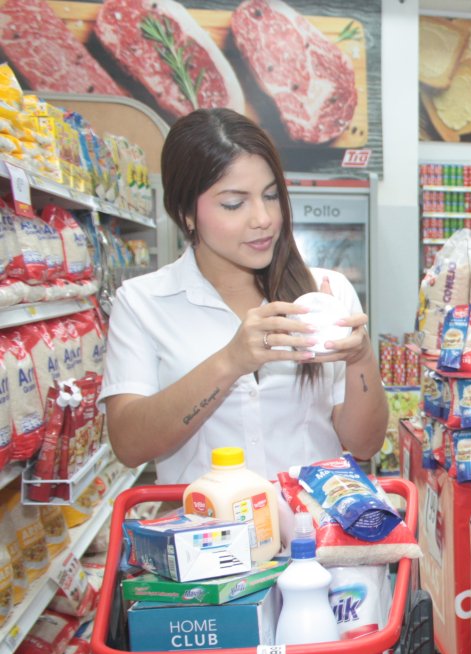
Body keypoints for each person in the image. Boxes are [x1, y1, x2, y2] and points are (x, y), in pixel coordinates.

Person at [100, 108, 387, 485]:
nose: (263, 218)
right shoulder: (143, 302)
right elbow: (130, 445)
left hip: (313, 533)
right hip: (207, 533)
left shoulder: (324, 294)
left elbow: (364, 446)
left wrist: (360, 358)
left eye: (270, 196)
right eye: (234, 203)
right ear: (186, 212)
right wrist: (231, 361)